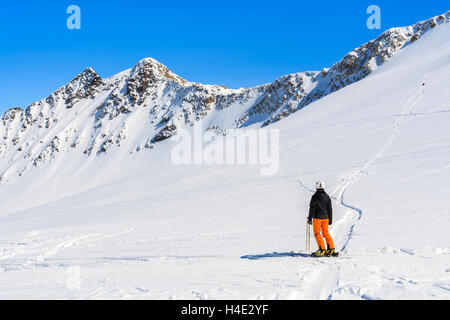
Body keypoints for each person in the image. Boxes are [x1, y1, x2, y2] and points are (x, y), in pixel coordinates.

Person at [308, 181, 336, 257]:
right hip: (326, 218)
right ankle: (331, 248)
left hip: (317, 218)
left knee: (317, 233)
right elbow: (330, 209)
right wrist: (330, 219)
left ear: (316, 187)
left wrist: (310, 218)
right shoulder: (327, 197)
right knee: (325, 233)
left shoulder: (314, 197)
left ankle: (322, 249)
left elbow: (312, 208)